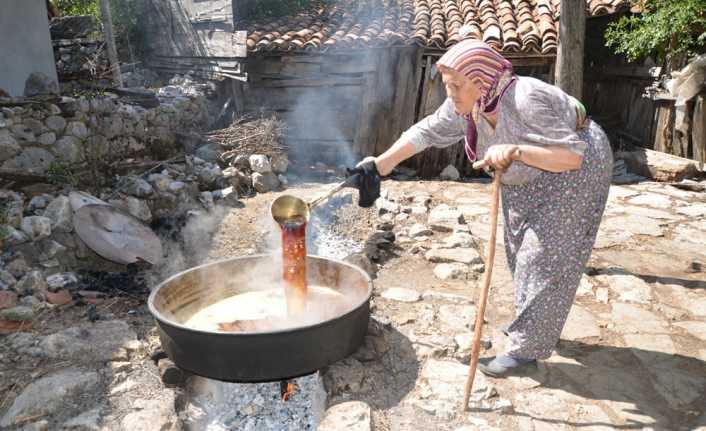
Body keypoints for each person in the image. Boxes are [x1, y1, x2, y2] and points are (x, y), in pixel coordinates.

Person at [349, 39, 613, 377]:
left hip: (573, 171)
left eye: (457, 85)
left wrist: (516, 150)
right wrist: (380, 165)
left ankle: (525, 351)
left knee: (545, 255)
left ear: (481, 79)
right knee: (519, 251)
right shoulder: (468, 107)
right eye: (447, 86)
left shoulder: (524, 98)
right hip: (525, 176)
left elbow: (571, 156)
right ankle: (537, 324)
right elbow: (426, 131)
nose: (452, 94)